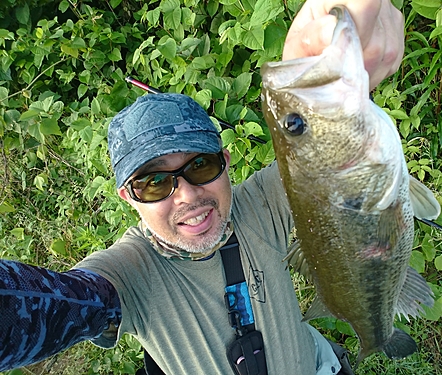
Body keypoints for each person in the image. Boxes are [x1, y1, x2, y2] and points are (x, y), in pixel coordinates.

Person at [0, 1, 404, 374]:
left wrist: (317, 64)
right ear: (128, 195)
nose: (188, 195)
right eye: (154, 182)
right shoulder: (127, 274)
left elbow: (329, 158)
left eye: (200, 165)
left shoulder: (259, 206)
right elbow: (40, 310)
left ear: (225, 162)